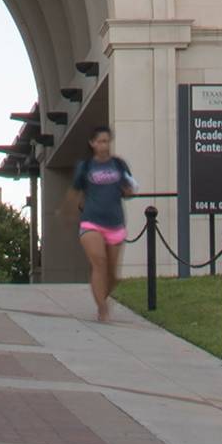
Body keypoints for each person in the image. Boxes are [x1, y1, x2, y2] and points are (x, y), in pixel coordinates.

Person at [72, 128, 138, 324]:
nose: (104, 145)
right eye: (100, 141)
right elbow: (75, 192)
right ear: (92, 143)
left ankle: (101, 294)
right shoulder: (86, 167)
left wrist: (128, 191)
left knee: (113, 274)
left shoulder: (119, 165)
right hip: (91, 220)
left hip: (115, 222)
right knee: (99, 262)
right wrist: (66, 212)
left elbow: (129, 188)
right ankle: (102, 308)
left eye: (107, 141)